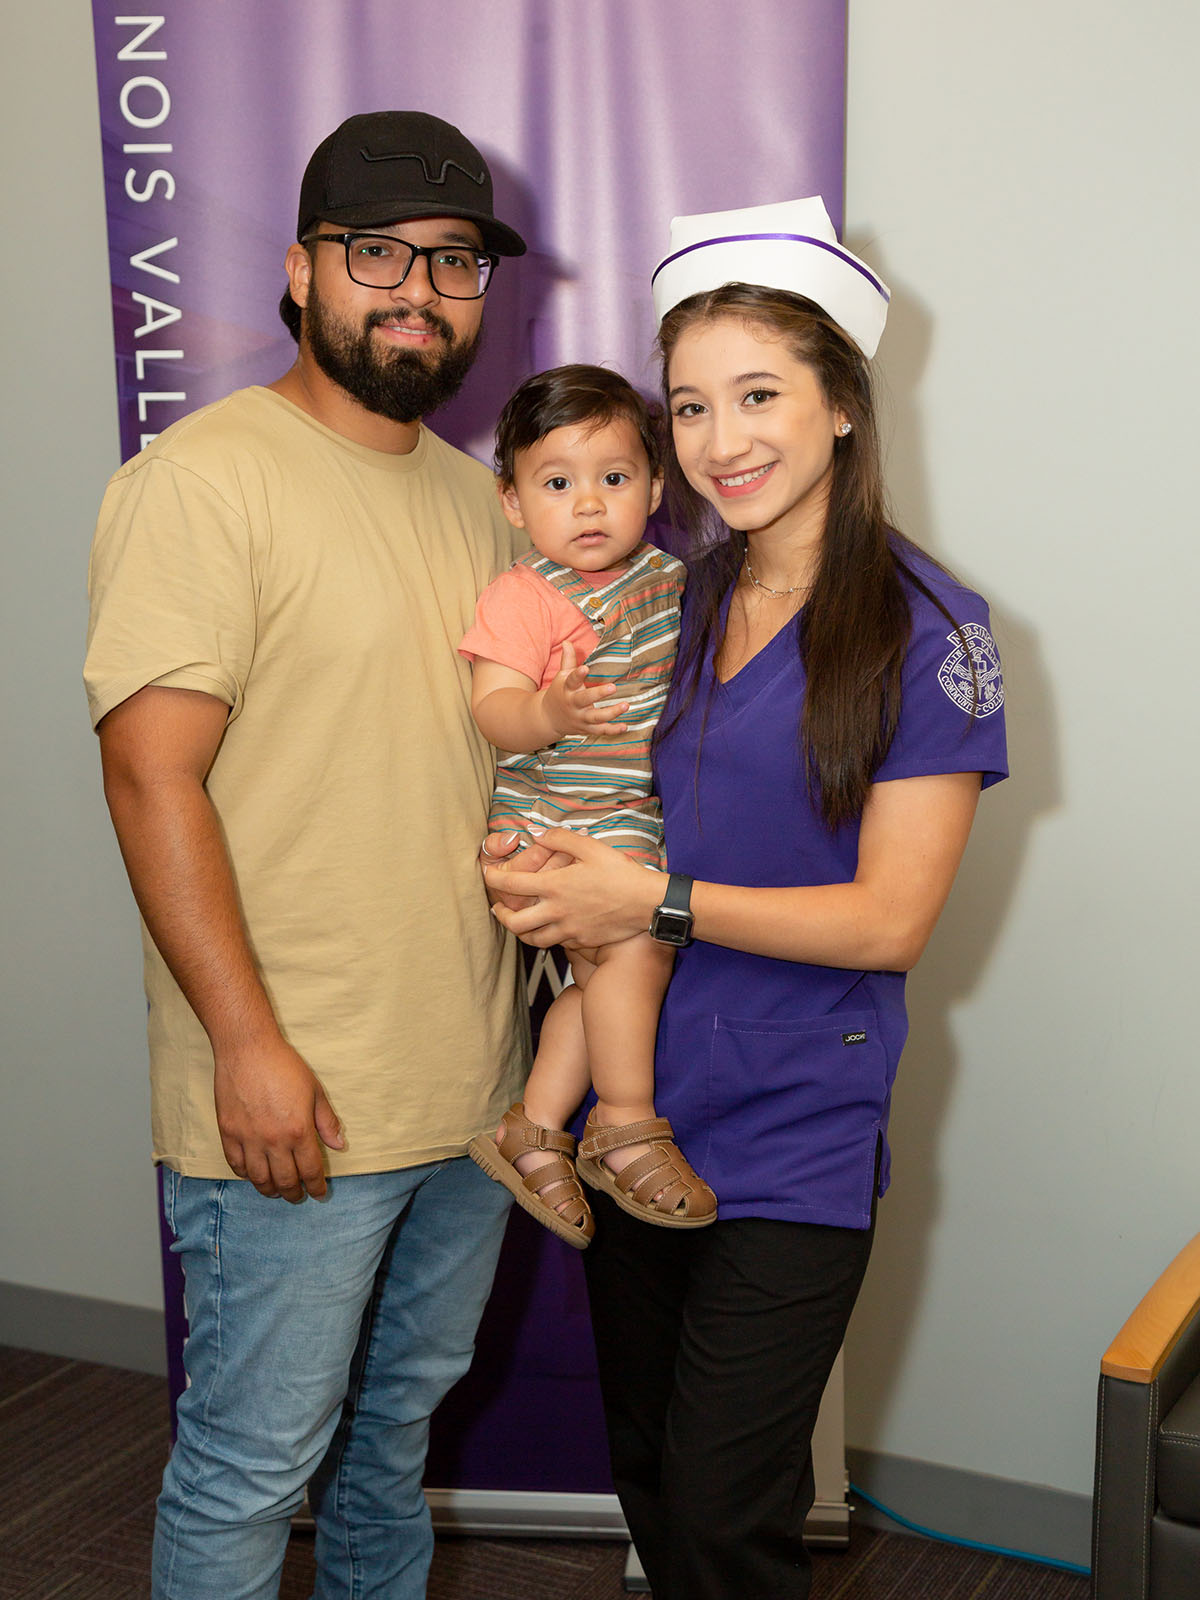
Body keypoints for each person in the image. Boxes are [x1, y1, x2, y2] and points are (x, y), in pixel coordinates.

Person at [484, 198, 1008, 1599]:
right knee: (652, 1475)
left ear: (843, 400)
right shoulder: (672, 601)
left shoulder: (929, 630)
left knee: (729, 1515)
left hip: (793, 1127)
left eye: (761, 395)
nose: (723, 443)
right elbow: (576, 785)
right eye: (693, 406)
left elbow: (891, 923)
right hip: (634, 1111)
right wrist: (530, 869)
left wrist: (642, 903)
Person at [84, 111, 531, 1600]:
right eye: (377, 251)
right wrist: (246, 1043)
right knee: (248, 1467)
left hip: (469, 1091)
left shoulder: (484, 502)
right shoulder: (204, 483)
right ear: (301, 269)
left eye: (454, 260)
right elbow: (151, 780)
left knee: (392, 1444)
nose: (418, 286)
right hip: (296, 1100)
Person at [460, 364, 717, 1248]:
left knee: (611, 977)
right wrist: (549, 711)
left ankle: (531, 1129)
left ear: (654, 484)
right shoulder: (524, 596)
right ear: (514, 502)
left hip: (626, 820)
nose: (589, 505)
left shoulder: (670, 582)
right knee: (639, 946)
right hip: (553, 821)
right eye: (557, 485)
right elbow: (492, 709)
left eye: (613, 479)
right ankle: (623, 1121)